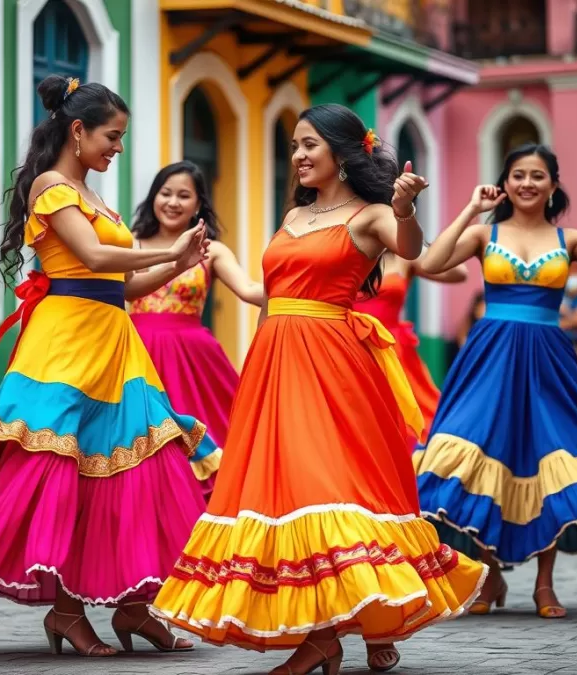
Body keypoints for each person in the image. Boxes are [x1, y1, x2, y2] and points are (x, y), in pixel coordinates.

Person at [151, 106, 487, 675]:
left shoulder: (372, 213)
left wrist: (405, 209)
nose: (301, 156)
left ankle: (340, 632)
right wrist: (230, 295)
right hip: (276, 361)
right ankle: (343, 624)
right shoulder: (295, 214)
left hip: (334, 363)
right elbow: (269, 292)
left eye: (311, 145)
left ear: (342, 151)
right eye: (295, 146)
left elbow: (417, 254)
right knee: (290, 496)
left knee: (337, 488)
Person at [0, 75, 221, 657]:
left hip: (115, 341)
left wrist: (180, 260)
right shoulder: (51, 187)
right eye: (112, 137)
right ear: (78, 130)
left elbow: (127, 283)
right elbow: (90, 257)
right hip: (64, 345)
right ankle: (67, 613)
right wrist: (168, 247)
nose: (118, 148)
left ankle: (135, 608)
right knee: (69, 472)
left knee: (146, 465)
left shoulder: (93, 195)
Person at [414, 143, 577, 620]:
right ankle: (490, 575)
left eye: (538, 176)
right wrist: (472, 208)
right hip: (489, 358)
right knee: (481, 459)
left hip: (549, 362)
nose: (527, 183)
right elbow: (429, 264)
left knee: (550, 464)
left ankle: (544, 584)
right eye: (518, 175)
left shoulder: (569, 239)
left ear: (554, 185)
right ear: (505, 182)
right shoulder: (483, 232)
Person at [129, 161, 263, 498]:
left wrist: (303, 286)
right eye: (166, 193)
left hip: (195, 364)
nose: (173, 202)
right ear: (153, 198)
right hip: (136, 357)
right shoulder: (131, 245)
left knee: (215, 442)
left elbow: (248, 290)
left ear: (198, 204)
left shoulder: (212, 251)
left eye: (184, 195)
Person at [354, 249, 468, 442]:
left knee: (409, 418)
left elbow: (460, 272)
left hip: (393, 351)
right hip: (353, 347)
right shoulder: (348, 250)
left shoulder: (404, 257)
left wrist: (413, 241)